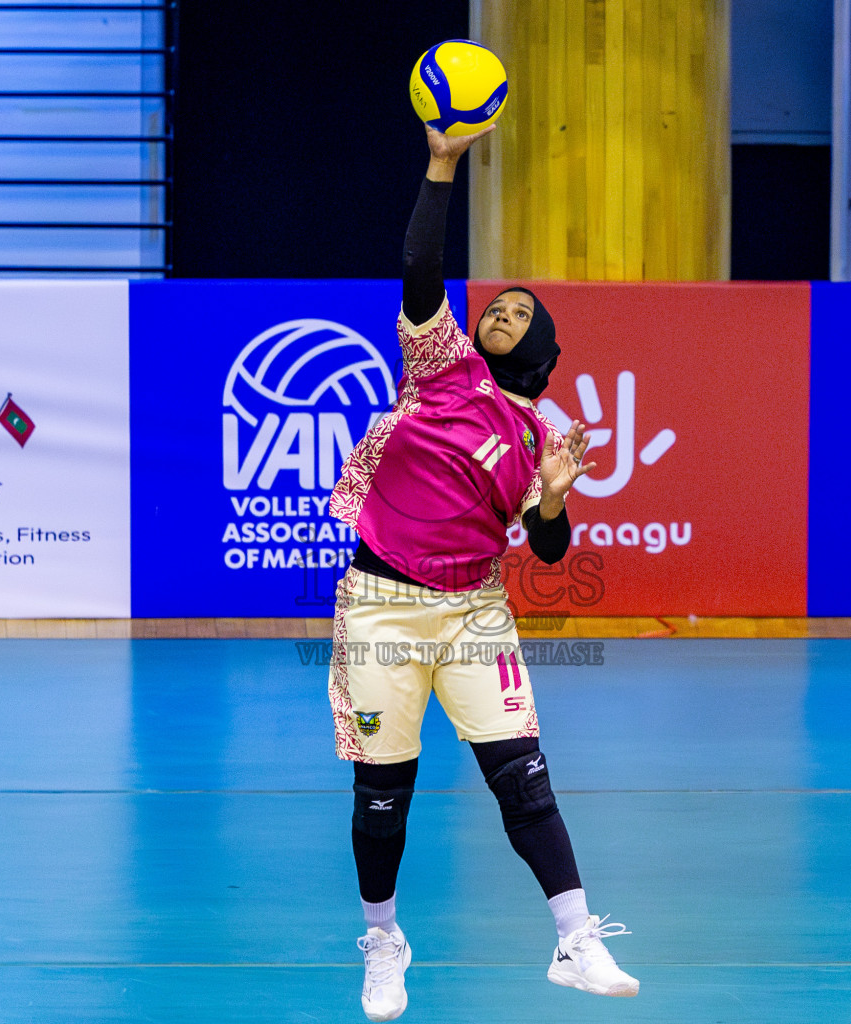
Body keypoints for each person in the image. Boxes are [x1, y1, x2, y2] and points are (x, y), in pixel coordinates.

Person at [326, 122, 638, 1022]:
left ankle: (575, 940)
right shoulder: (443, 369)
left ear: (539, 347)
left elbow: (547, 551)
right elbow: (421, 270)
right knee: (383, 796)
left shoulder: (550, 433)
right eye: (494, 306)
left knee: (523, 776)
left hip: (474, 615)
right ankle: (384, 942)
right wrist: (440, 164)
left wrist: (553, 496)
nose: (497, 312)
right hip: (382, 604)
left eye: (516, 313)